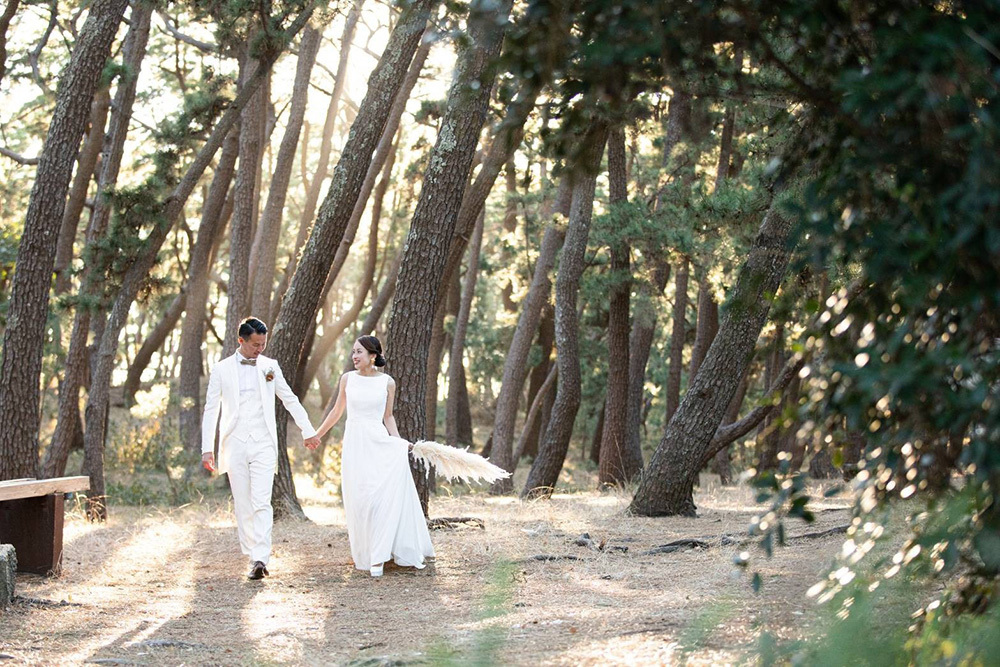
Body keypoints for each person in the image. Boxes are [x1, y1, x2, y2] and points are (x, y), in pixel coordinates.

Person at [201, 317, 321, 580]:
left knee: (261, 502)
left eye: (263, 344)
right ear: (241, 340)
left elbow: (289, 398)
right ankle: (251, 551)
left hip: (264, 442)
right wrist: (206, 448)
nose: (260, 349)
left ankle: (260, 558)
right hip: (234, 443)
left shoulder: (270, 366)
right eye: (255, 344)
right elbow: (211, 408)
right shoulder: (221, 369)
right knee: (243, 503)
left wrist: (308, 430)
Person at [316, 335, 435, 577]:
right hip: (355, 444)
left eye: (359, 352)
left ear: (373, 355)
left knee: (379, 498)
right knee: (360, 499)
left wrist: (399, 442)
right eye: (353, 353)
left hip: (379, 442)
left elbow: (388, 417)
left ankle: (381, 556)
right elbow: (337, 411)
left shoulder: (387, 382)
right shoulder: (347, 379)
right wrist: (317, 435)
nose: (354, 357)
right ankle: (367, 552)